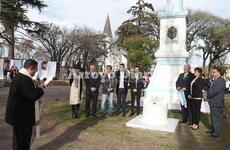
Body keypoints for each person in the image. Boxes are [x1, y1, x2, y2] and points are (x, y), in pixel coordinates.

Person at [5, 59, 44, 150]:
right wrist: (40, 88)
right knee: (22, 141)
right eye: (35, 70)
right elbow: (33, 95)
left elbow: (26, 92)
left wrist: (35, 85)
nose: (36, 72)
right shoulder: (24, 79)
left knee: (19, 141)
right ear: (31, 68)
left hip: (19, 116)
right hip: (21, 118)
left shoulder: (21, 76)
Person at [207, 67, 226, 137]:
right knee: (213, 117)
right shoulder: (216, 80)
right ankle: (213, 129)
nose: (212, 73)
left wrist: (208, 94)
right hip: (213, 101)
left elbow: (216, 91)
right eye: (212, 72)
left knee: (216, 117)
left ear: (218, 72)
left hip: (216, 102)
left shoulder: (221, 80)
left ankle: (216, 132)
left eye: (213, 72)